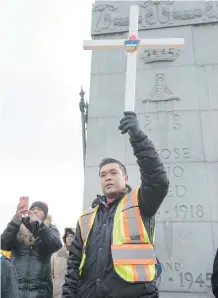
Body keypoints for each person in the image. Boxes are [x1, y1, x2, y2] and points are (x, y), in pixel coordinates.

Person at [62, 111, 169, 298]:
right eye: (103, 175)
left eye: (113, 173)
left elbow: (157, 180)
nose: (108, 177)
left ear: (125, 178)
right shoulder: (86, 217)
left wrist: (137, 136)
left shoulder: (140, 202)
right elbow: (74, 265)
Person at [1, 200, 62, 298]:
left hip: (40, 293)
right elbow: (3, 243)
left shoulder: (50, 229)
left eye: (39, 209)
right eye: (32, 209)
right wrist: (16, 220)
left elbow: (56, 245)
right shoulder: (17, 229)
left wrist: (39, 226)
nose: (35, 211)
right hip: (15, 291)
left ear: (45, 214)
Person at [51, 228, 75, 298]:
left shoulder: (78, 256)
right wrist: (54, 284)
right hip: (57, 292)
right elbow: (50, 274)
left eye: (72, 236)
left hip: (72, 291)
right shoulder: (55, 255)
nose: (69, 238)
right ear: (65, 238)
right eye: (67, 236)